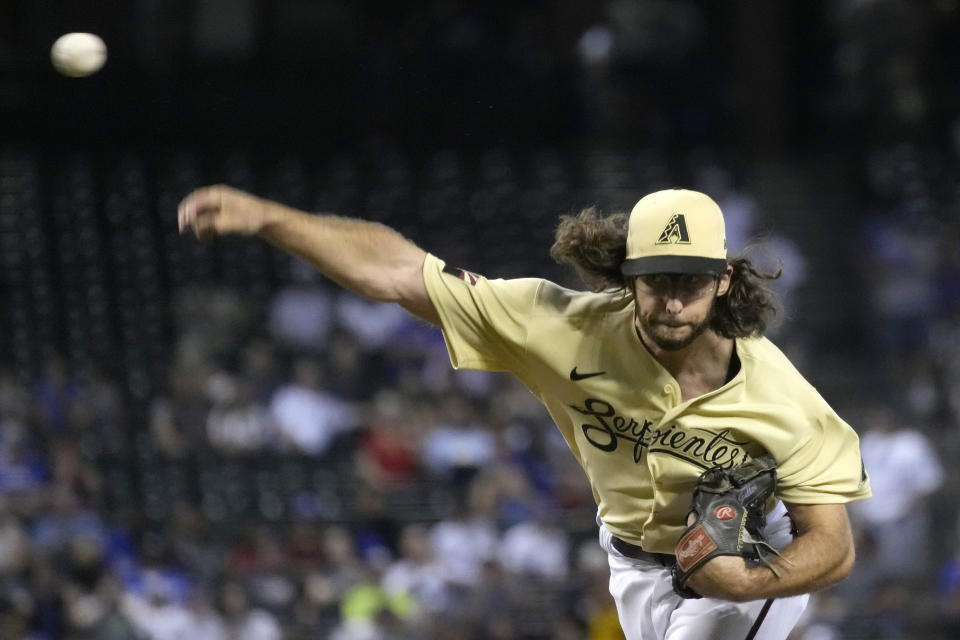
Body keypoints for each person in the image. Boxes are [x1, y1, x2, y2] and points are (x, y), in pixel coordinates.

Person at [178, 185, 872, 639]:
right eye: (656, 280)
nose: (671, 301)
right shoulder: (561, 326)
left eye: (691, 282)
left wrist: (750, 580)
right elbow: (396, 273)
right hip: (633, 562)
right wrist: (269, 219)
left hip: (751, 555)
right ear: (629, 275)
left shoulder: (783, 401)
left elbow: (833, 545)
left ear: (722, 281)